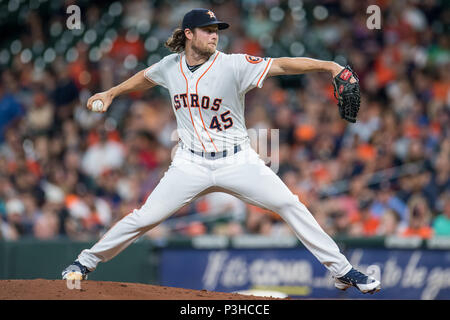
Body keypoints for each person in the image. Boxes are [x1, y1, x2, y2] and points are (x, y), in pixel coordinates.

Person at [62, 8, 380, 294]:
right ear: (188, 34)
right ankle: (84, 262)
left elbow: (282, 64)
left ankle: (342, 271)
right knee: (145, 217)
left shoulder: (233, 65)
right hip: (190, 163)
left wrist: (329, 66)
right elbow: (144, 78)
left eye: (216, 29)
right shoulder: (170, 66)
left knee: (288, 203)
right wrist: (113, 92)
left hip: (238, 161)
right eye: (207, 29)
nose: (214, 34)